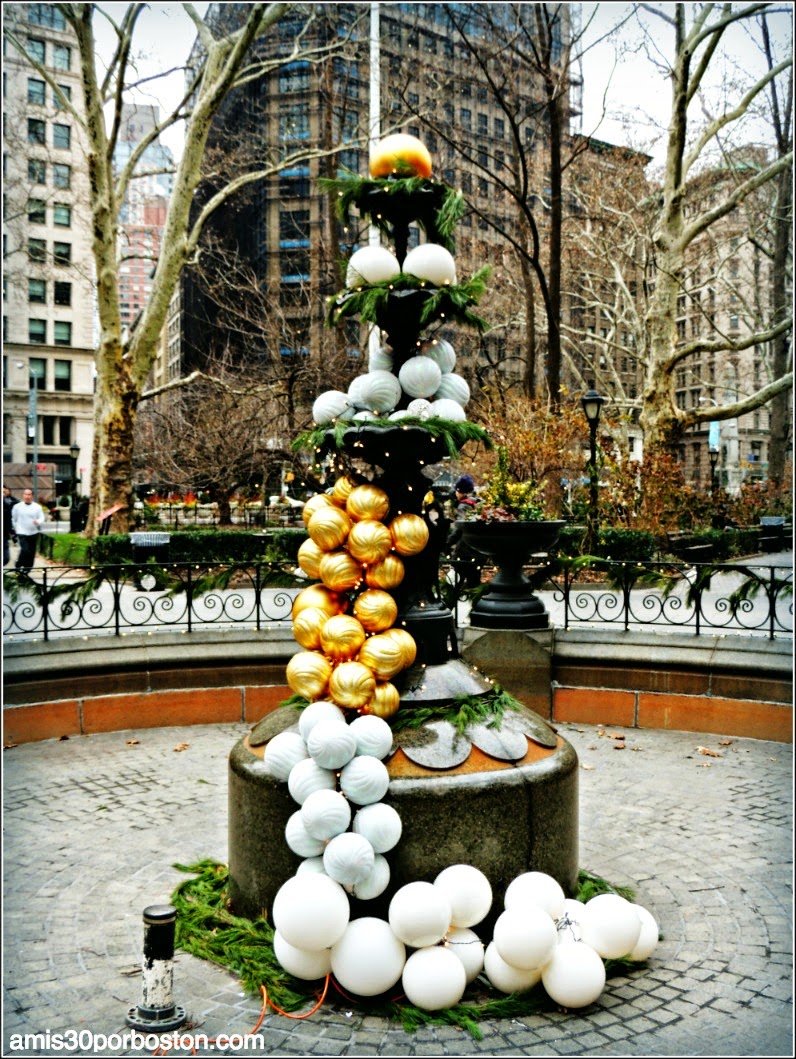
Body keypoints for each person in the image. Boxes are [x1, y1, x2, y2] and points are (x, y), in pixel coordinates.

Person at [446, 474, 482, 588]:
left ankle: (449, 603)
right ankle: (476, 602)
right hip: (480, 550)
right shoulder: (479, 503)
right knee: (474, 581)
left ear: (461, 491)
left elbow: (460, 528)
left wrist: (448, 543)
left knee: (455, 581)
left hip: (465, 550)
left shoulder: (464, 506)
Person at [11, 488, 45, 573]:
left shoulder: (37, 507)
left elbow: (42, 517)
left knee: (31, 551)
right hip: (21, 531)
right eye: (25, 494)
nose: (27, 496)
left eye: (29, 494)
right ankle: (18, 565)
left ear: (32, 496)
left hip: (33, 532)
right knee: (25, 550)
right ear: (23, 495)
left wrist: (38, 521)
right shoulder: (17, 507)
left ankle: (27, 568)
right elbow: (13, 519)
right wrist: (15, 529)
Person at [3, 485, 18, 566]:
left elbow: (8, 521)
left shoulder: (7, 505)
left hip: (4, 534)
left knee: (6, 558)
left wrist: (13, 533)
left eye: (4, 492)